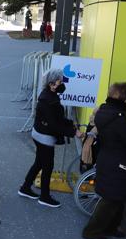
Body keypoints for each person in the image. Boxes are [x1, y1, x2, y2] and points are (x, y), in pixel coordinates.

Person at [82, 82, 126, 239]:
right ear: (125, 99)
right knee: (111, 199)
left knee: (118, 197)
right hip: (120, 163)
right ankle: (91, 231)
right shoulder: (123, 120)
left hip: (107, 158)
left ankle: (110, 228)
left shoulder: (104, 111)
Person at [18, 68, 83, 207]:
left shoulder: (49, 95)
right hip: (44, 137)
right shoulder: (48, 100)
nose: (61, 84)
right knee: (47, 166)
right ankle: (44, 197)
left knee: (40, 163)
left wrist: (71, 125)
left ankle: (25, 187)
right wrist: (73, 132)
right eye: (59, 81)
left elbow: (58, 119)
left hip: (41, 133)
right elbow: (54, 125)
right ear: (51, 84)